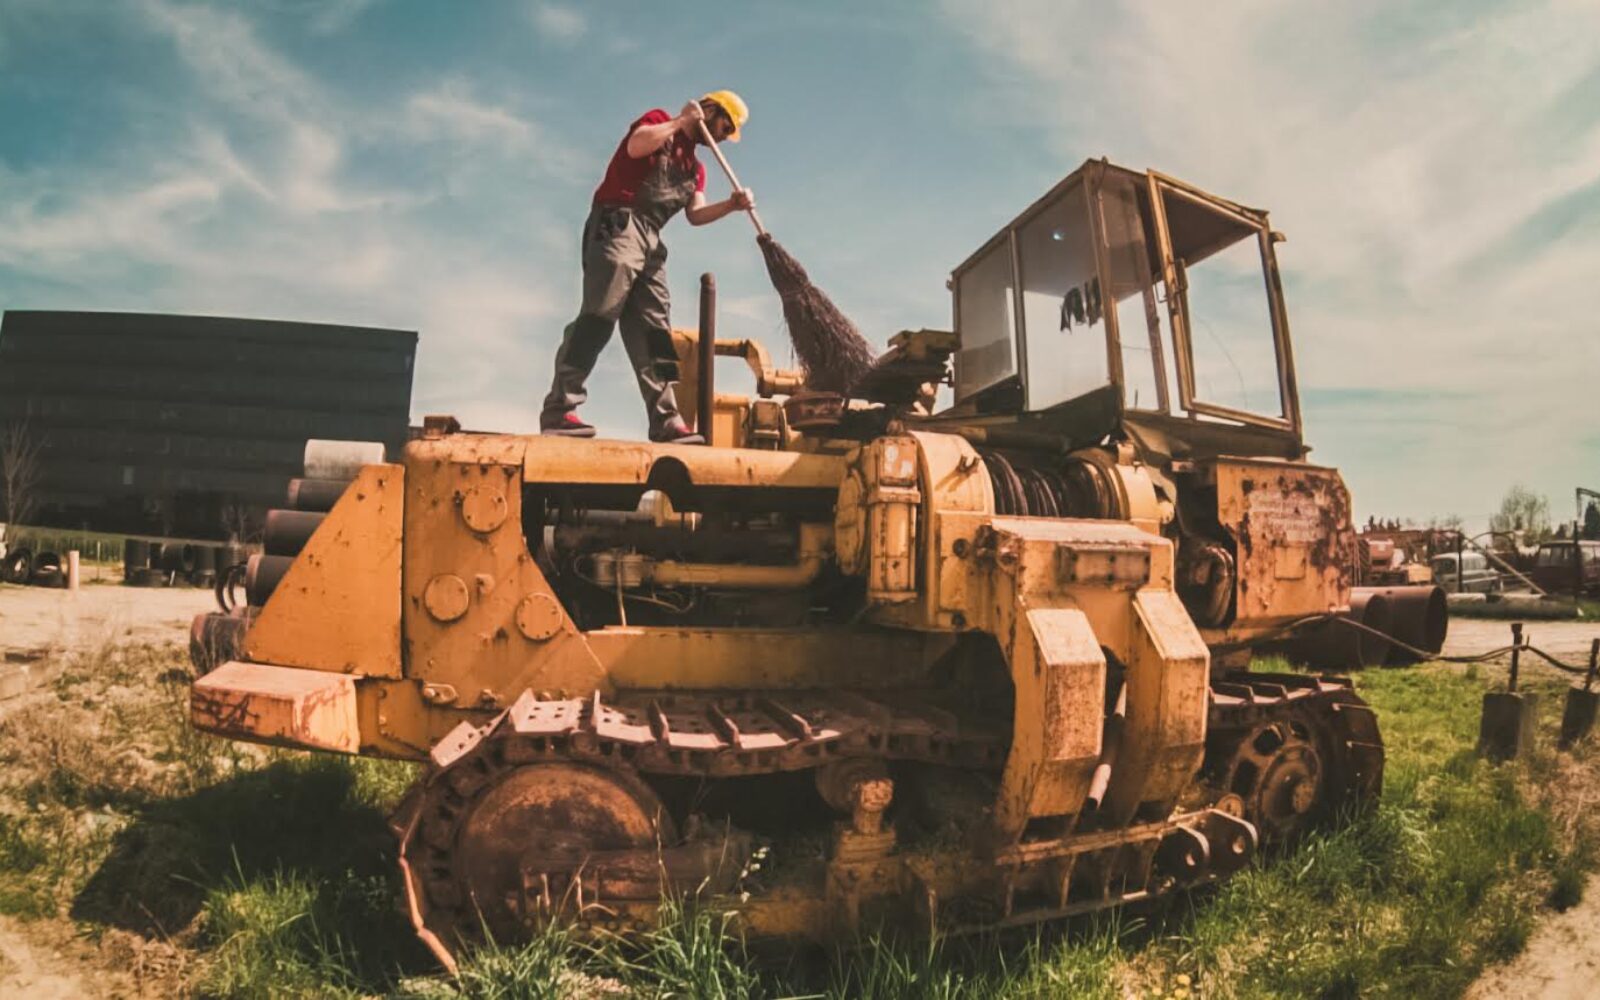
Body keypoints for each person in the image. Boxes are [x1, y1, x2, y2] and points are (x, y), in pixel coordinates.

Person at [540, 91, 755, 443]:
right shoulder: (659, 122)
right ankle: (559, 408)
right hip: (618, 223)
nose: (722, 136)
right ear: (710, 109)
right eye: (724, 126)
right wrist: (681, 121)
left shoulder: (695, 169)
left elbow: (696, 215)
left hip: (652, 240)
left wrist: (731, 205)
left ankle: (666, 420)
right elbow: (635, 147)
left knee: (657, 333)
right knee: (600, 314)